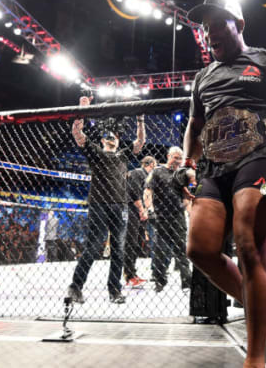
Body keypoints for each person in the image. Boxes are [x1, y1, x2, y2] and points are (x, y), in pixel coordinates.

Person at [183, 0, 266, 367]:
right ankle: (257, 297)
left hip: (260, 156)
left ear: (238, 24)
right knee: (199, 248)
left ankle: (255, 359)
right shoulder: (203, 78)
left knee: (248, 244)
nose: (209, 34)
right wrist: (188, 163)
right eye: (205, 29)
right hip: (215, 166)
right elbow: (195, 124)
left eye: (217, 25)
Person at [67, 96, 144, 304]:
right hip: (99, 204)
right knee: (93, 246)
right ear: (102, 140)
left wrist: (140, 118)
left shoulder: (123, 156)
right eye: (107, 136)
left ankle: (114, 290)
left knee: (118, 248)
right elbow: (77, 133)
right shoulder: (96, 152)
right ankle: (75, 287)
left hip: (120, 206)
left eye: (114, 136)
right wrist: (82, 108)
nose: (112, 137)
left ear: (118, 141)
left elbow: (140, 143)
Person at [144, 147, 192, 292]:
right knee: (160, 251)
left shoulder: (182, 174)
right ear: (168, 156)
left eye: (180, 158)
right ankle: (160, 281)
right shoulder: (157, 171)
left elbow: (186, 196)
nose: (177, 160)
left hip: (177, 217)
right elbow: (147, 191)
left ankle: (187, 282)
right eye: (175, 157)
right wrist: (150, 209)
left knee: (181, 250)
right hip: (161, 217)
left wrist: (186, 210)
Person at [123, 156, 156, 288]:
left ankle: (131, 274)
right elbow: (134, 192)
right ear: (152, 164)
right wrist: (142, 209)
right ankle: (129, 275)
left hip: (137, 211)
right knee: (130, 243)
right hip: (131, 210)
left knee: (135, 242)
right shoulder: (138, 173)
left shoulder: (146, 176)